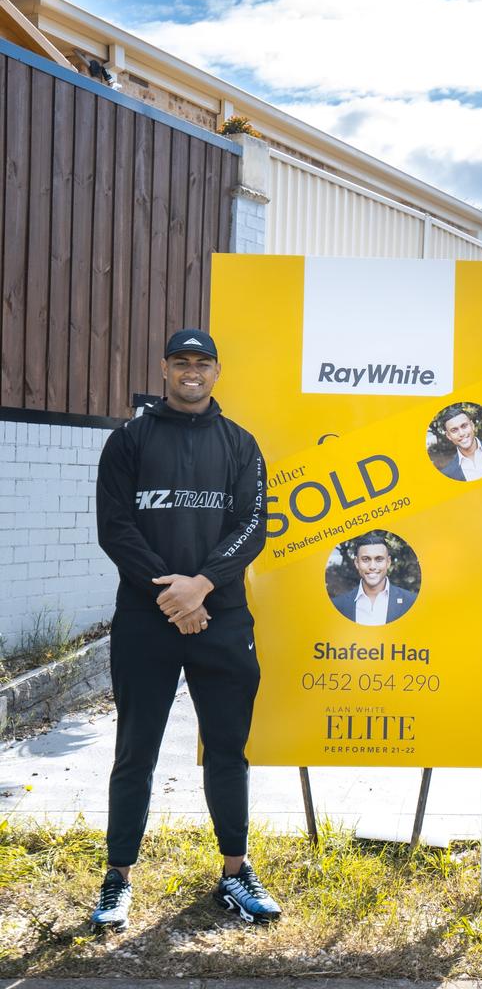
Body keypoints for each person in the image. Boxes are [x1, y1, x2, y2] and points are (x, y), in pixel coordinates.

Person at [91, 328, 280, 930]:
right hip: (147, 618)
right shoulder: (129, 441)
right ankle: (117, 879)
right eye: (181, 362)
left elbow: (253, 529)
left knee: (227, 750)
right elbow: (115, 528)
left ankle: (235, 872)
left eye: (202, 363)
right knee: (135, 750)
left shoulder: (241, 444)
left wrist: (200, 586)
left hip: (219, 618)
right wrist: (173, 594)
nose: (191, 371)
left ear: (217, 372)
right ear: (166, 369)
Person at [331, 532, 417, 624]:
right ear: (357, 563)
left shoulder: (411, 602)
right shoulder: (338, 605)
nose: (372, 566)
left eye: (379, 559)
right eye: (366, 559)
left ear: (388, 562)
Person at [438, 406, 482, 482]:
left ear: (472, 425)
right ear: (448, 436)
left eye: (464, 426)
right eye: (454, 430)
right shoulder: (447, 474)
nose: (461, 433)